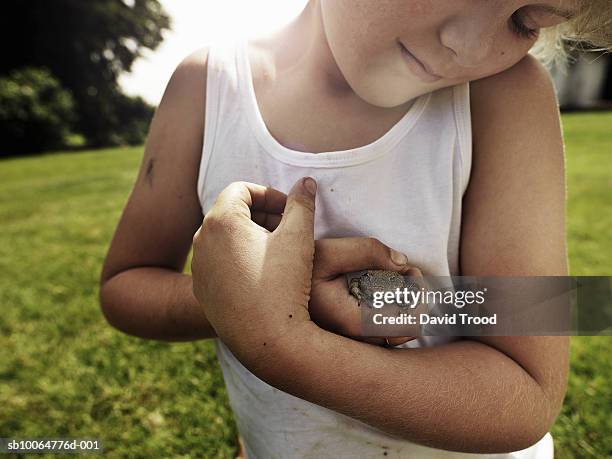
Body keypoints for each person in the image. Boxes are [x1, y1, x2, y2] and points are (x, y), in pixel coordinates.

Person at [99, 0, 612, 457]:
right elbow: (126, 283)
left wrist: (287, 338)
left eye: (526, 21)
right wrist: (235, 301)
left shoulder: (505, 94)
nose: (469, 45)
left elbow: (526, 389)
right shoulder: (206, 85)